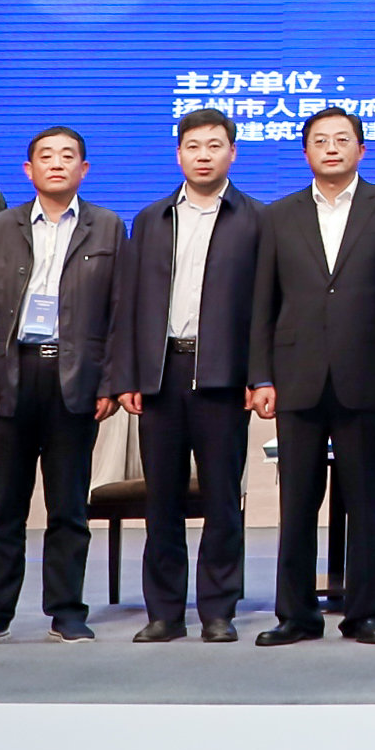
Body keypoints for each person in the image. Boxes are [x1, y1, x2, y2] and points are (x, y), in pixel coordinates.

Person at [249, 107, 375, 646]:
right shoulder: (278, 214)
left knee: (367, 499)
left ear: (361, 150)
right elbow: (262, 303)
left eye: (342, 140)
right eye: (320, 141)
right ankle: (296, 615)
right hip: (296, 376)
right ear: (305, 153)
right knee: (297, 503)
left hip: (366, 375)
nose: (331, 149)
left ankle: (365, 613)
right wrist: (261, 376)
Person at [0, 125, 125, 644]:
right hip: (12, 377)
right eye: (46, 156)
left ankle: (67, 612)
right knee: (6, 506)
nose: (57, 163)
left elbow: (120, 313)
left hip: (75, 379)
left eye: (67, 156)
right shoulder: (1, 227)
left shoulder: (107, 227)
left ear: (84, 169)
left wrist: (110, 382)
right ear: (28, 170)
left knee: (69, 507)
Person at [115, 107, 260, 644]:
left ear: (232, 153)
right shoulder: (151, 218)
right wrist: (128, 373)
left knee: (222, 498)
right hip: (161, 374)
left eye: (214, 146)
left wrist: (260, 375)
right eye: (193, 146)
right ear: (179, 154)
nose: (204, 156)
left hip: (223, 375)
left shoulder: (255, 219)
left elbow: (265, 308)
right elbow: (130, 301)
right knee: (162, 500)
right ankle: (164, 612)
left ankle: (218, 609)